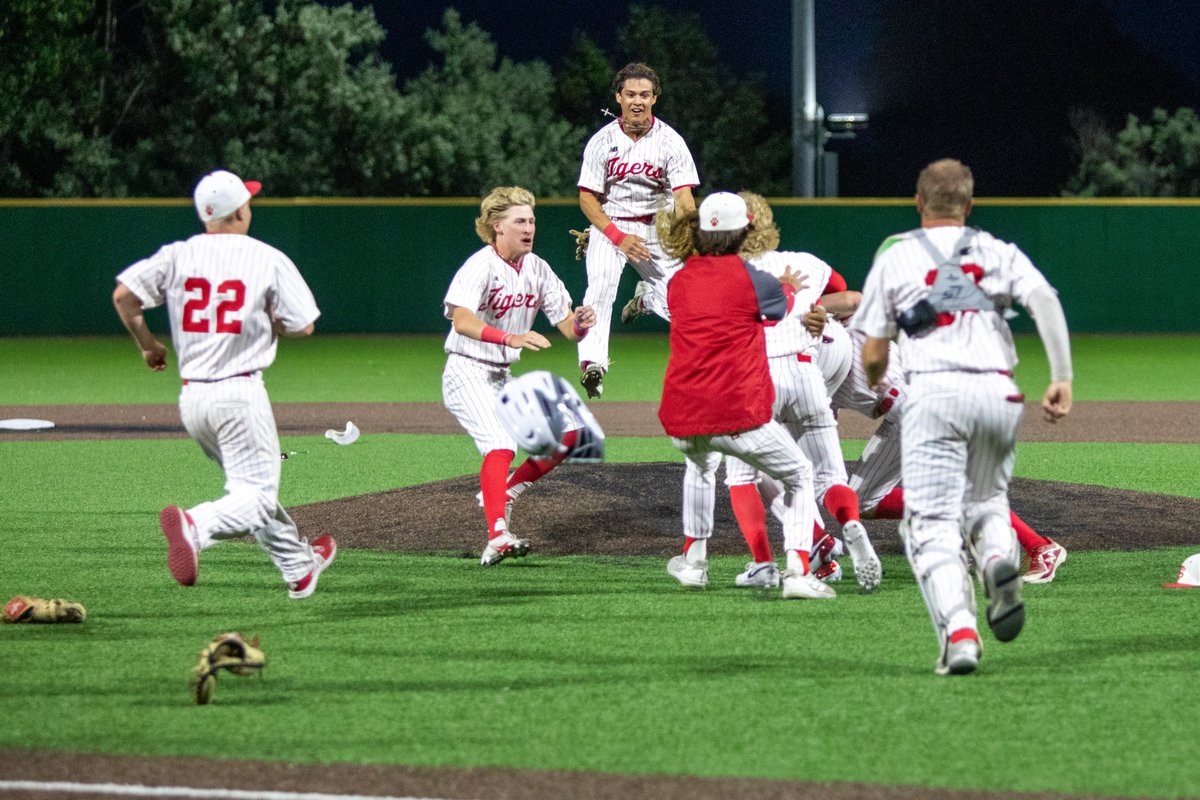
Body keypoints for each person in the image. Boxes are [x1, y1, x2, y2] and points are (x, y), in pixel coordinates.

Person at [851, 158, 1073, 675]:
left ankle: (962, 635)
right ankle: (998, 560)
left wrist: (878, 372)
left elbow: (875, 349)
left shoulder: (898, 254)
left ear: (918, 202)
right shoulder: (996, 249)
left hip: (932, 393)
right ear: (970, 206)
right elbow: (1044, 299)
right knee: (986, 501)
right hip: (998, 392)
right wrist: (1061, 376)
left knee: (930, 525)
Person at [112, 169, 334, 599]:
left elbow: (125, 296)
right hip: (239, 393)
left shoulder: (177, 254)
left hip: (193, 398)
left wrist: (148, 345)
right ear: (239, 211)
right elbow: (303, 325)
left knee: (246, 489)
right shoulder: (265, 257)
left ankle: (299, 566)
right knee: (257, 498)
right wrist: (271, 322)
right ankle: (197, 526)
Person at [658, 192, 832, 600]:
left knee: (700, 467)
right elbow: (777, 309)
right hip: (737, 413)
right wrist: (788, 288)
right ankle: (797, 573)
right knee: (799, 474)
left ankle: (695, 563)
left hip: (683, 416)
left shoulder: (679, 280)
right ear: (745, 232)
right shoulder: (755, 280)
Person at [818, 319, 1068, 584]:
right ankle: (1033, 545)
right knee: (868, 499)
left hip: (916, 406)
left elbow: (852, 298)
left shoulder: (826, 328)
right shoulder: (819, 340)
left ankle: (1039, 547)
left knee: (860, 499)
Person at [719, 192, 882, 593]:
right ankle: (848, 525)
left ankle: (767, 564)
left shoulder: (724, 273)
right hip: (810, 372)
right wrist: (813, 310)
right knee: (826, 477)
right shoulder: (804, 261)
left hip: (760, 378)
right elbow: (846, 293)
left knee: (743, 473)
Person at [441, 186, 597, 566]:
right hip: (466, 370)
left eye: (532, 221)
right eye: (520, 221)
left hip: (501, 375)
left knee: (573, 433)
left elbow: (566, 325)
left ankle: (506, 492)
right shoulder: (480, 265)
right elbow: (461, 320)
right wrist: (509, 337)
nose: (529, 228)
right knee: (500, 444)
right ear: (497, 226)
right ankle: (497, 535)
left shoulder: (537, 267)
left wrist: (582, 323)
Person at [575, 62, 699, 399]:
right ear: (618, 97)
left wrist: (693, 241)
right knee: (600, 288)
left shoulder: (671, 142)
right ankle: (593, 365)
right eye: (630, 94)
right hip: (610, 227)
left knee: (682, 307)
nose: (637, 101)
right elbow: (587, 199)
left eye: (645, 94)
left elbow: (684, 199)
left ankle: (647, 300)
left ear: (655, 98)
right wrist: (616, 237)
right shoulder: (602, 142)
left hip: (658, 231)